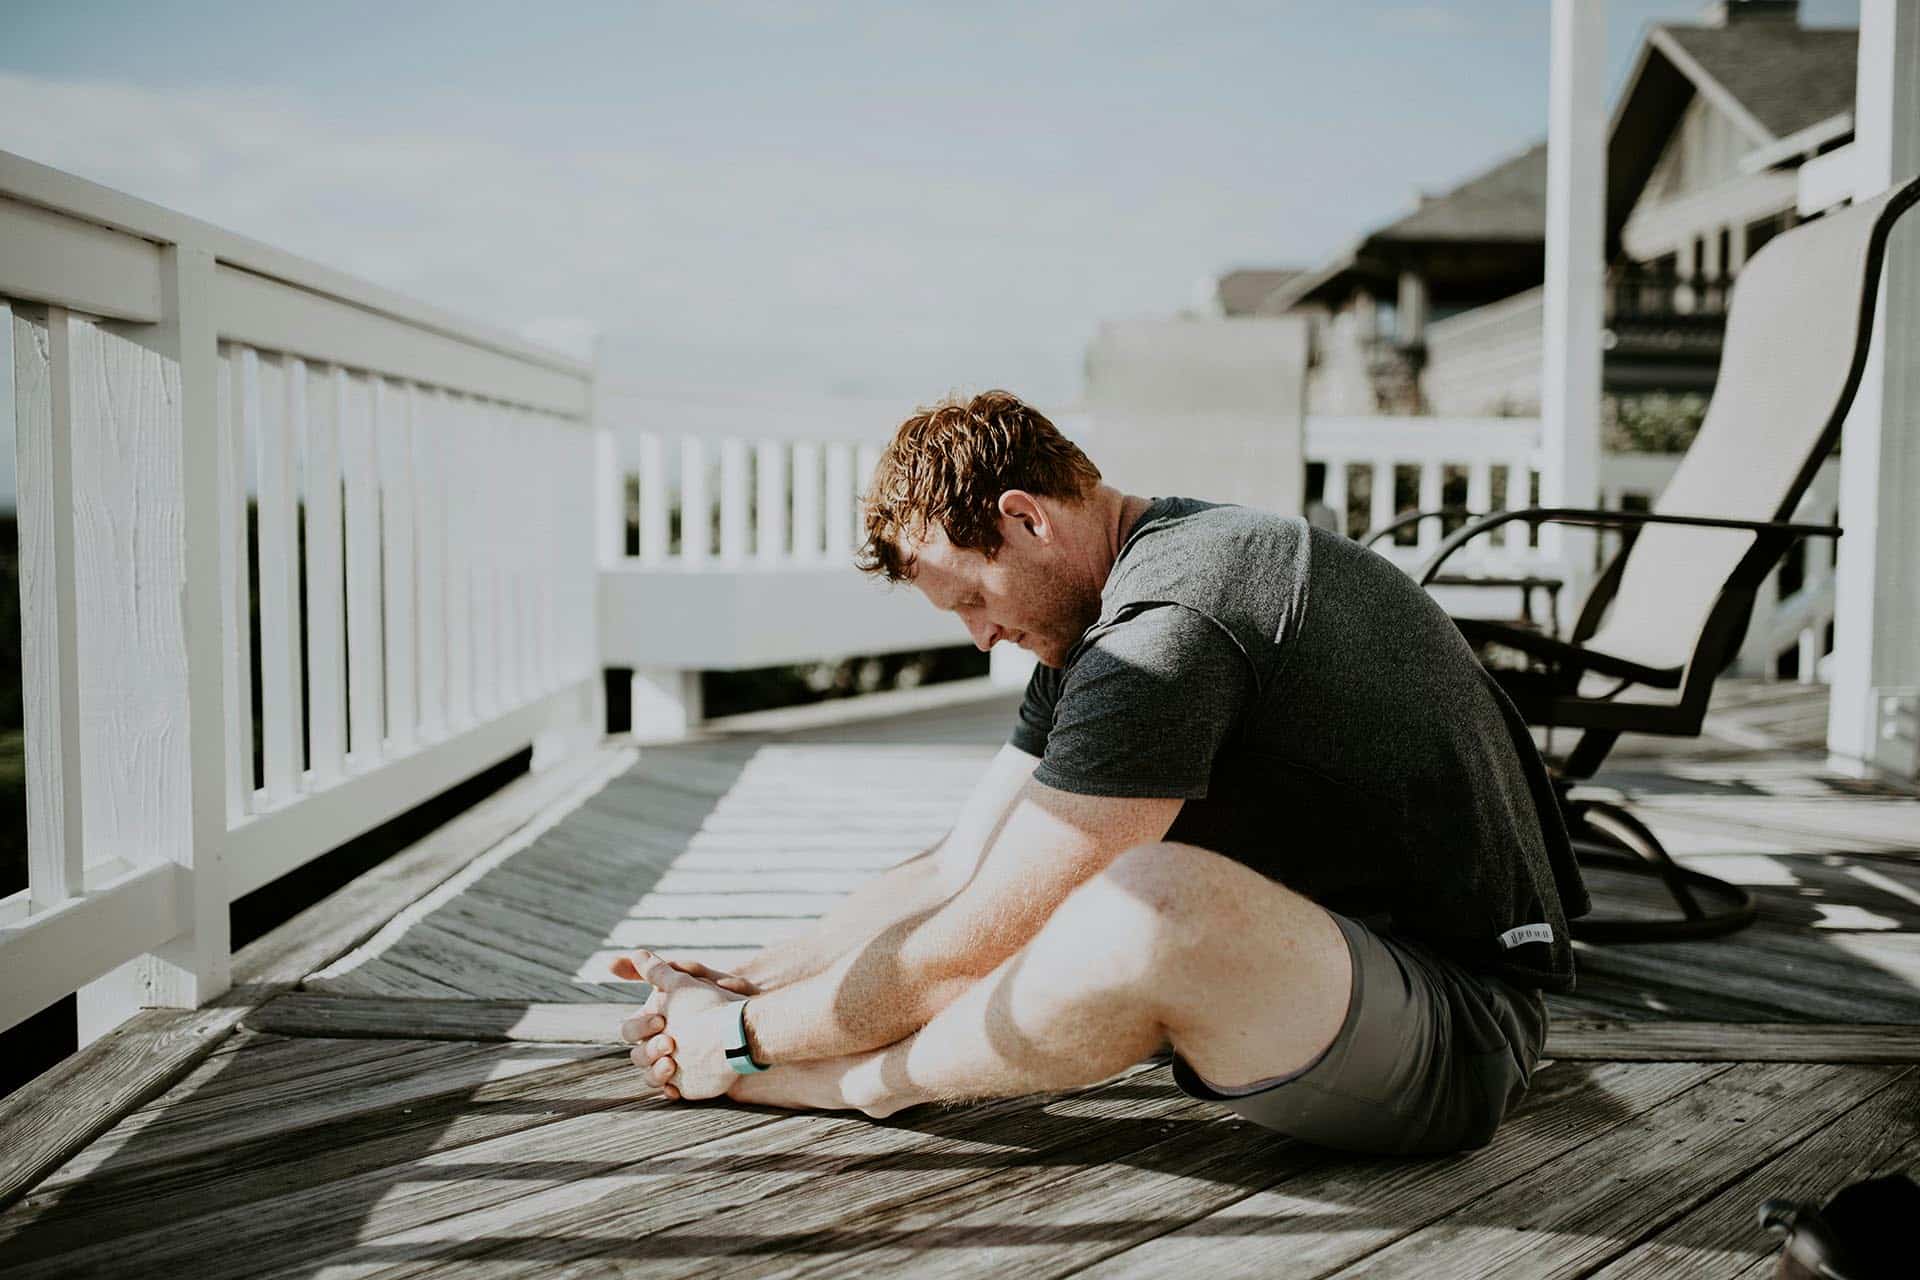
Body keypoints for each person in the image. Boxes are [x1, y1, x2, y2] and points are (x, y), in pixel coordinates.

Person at [613, 390, 1588, 1156]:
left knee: (1142, 904)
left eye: (972, 598)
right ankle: (802, 1056)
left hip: (1457, 1032)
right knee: (1069, 889)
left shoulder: (1169, 626)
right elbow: (959, 867)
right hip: (1320, 978)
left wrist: (747, 1039)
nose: (981, 634)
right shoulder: (1100, 618)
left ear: (1025, 517)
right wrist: (743, 976)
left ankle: (857, 1085)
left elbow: (969, 942)